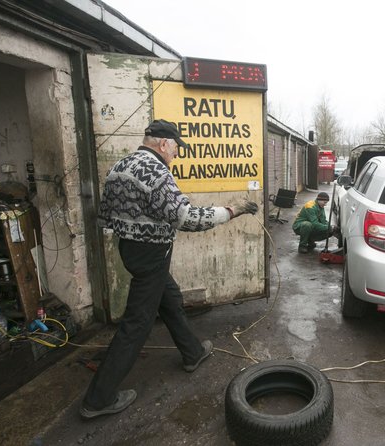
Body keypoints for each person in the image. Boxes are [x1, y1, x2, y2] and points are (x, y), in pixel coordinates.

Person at [80, 119, 258, 419]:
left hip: (130, 250)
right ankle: (98, 400)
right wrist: (232, 211)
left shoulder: (118, 168)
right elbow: (186, 218)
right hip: (152, 254)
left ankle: (193, 352)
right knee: (136, 325)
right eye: (175, 148)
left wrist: (133, 231)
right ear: (164, 144)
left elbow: (105, 219)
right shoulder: (156, 171)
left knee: (170, 298)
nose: (175, 155)